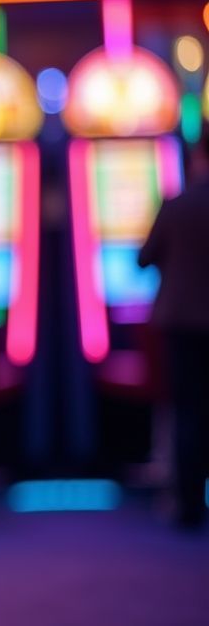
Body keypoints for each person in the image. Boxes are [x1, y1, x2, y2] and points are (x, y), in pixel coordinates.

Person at [139, 136, 209, 530]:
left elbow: (143, 259)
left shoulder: (177, 205)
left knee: (187, 411)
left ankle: (187, 507)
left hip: (181, 321)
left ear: (199, 156)